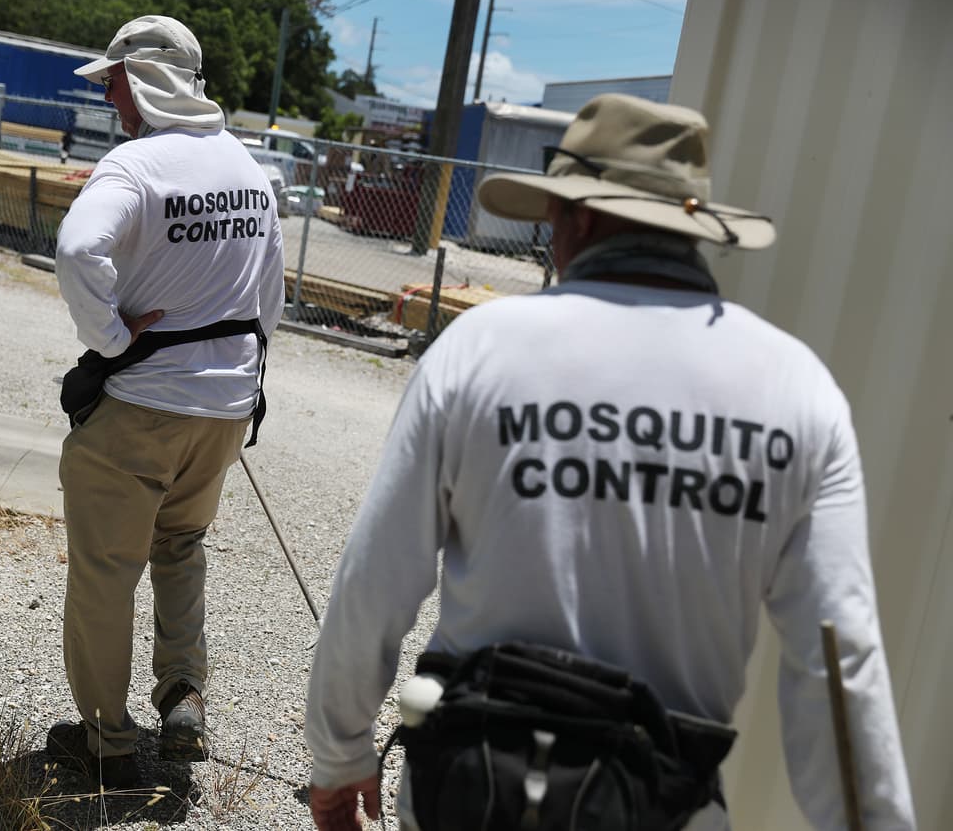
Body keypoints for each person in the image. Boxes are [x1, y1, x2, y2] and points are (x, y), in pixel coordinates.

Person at [304, 93, 915, 830]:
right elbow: (839, 661)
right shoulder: (796, 391)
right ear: (689, 227)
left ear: (580, 218)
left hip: (472, 792)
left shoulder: (482, 350)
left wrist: (339, 755)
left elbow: (376, 577)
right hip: (665, 806)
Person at [50, 14, 285, 788]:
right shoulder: (250, 170)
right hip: (225, 412)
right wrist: (229, 373)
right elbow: (271, 300)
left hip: (142, 407)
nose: (109, 96)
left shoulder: (134, 166)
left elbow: (79, 248)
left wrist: (112, 339)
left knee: (106, 570)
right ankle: (183, 692)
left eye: (113, 81)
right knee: (180, 545)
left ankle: (108, 743)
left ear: (144, 78)